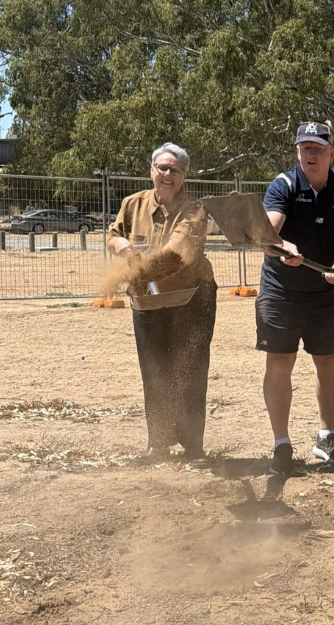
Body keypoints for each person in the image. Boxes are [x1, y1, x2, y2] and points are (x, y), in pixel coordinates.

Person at [259, 121, 334, 476]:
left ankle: (326, 435)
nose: (311, 154)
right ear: (297, 152)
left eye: (318, 148)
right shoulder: (283, 186)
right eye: (305, 147)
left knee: (330, 364)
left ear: (332, 153)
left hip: (325, 295)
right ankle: (281, 445)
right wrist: (282, 245)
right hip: (281, 292)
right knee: (279, 363)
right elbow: (267, 231)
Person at [107, 143, 217, 465]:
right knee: (154, 371)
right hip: (147, 299)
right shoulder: (132, 204)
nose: (167, 174)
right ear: (152, 170)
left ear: (184, 176)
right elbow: (113, 234)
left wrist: (138, 267)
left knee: (191, 370)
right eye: (162, 168)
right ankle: (158, 445)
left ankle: (193, 448)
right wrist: (120, 245)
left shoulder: (195, 210)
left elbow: (174, 255)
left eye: (175, 170)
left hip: (192, 299)